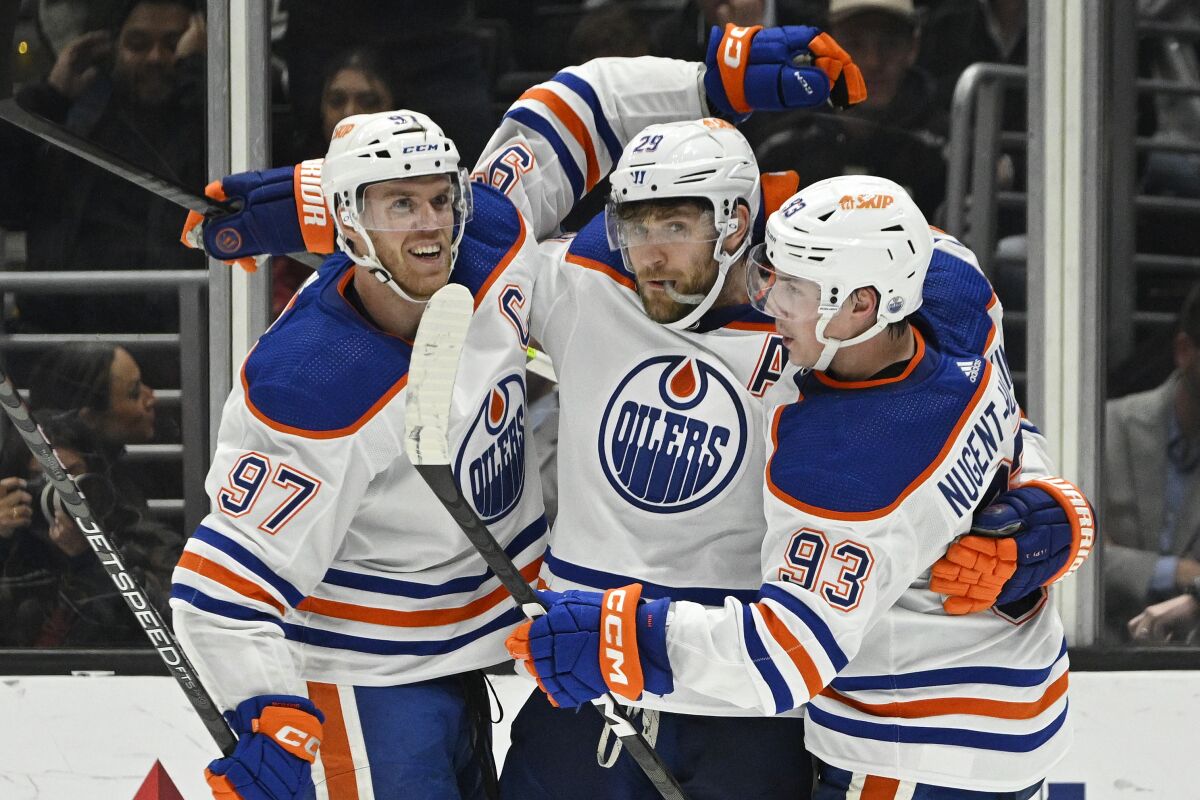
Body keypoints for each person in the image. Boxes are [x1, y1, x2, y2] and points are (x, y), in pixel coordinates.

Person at [185, 26, 867, 799]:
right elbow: (224, 585)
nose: (431, 223)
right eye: (398, 205)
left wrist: (711, 83)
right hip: (365, 666)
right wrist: (264, 708)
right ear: (342, 222)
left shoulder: (495, 244)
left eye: (439, 199)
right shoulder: (313, 383)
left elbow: (571, 113)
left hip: (487, 657)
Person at [507, 176, 1091, 798]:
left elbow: (783, 657)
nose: (769, 303)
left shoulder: (845, 467)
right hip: (1028, 702)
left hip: (913, 745)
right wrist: (1052, 502)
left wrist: (619, 636)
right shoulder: (953, 285)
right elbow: (1003, 420)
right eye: (772, 273)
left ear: (862, 304)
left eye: (794, 288)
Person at [0, 0, 207, 334]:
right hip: (64, 339)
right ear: (113, 51)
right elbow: (8, 199)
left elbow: (218, 171)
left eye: (173, 45)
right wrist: (51, 95)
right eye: (138, 45)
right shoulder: (78, 125)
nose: (155, 58)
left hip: (180, 333)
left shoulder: (213, 126)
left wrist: (196, 73)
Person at [0, 410, 179, 647]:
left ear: (95, 475)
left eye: (69, 475)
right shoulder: (13, 555)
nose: (59, 490)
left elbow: (172, 624)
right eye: (41, 479)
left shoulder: (140, 540)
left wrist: (93, 558)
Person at [753, 0, 949, 217]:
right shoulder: (783, 147)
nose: (873, 61)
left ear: (913, 48)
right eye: (854, 44)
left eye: (889, 44)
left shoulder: (946, 153)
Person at [1106, 282, 1200, 641]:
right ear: (1184, 350)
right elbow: (1066, 552)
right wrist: (1177, 572)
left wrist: (1121, 559)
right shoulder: (1103, 428)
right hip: (1094, 655)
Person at [27, 343, 159, 512]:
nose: (151, 399)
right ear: (90, 418)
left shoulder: (114, 468)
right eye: (134, 394)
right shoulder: (82, 486)